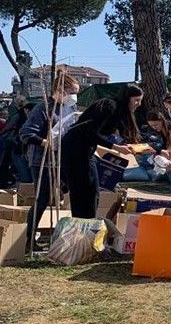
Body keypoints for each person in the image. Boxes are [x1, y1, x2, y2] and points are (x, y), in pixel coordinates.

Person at [19, 71, 80, 248]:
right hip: (42, 160)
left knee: (69, 191)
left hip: (61, 159)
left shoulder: (70, 108)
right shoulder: (43, 108)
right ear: (60, 90)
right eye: (72, 92)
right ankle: (28, 239)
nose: (74, 96)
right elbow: (26, 133)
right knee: (43, 198)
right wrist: (45, 142)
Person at [61, 89, 137, 218]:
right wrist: (116, 148)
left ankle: (85, 223)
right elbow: (92, 134)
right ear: (127, 98)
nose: (138, 104)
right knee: (85, 191)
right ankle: (84, 225)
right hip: (77, 151)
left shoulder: (117, 111)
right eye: (136, 100)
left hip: (83, 150)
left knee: (90, 192)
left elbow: (122, 134)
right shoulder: (109, 107)